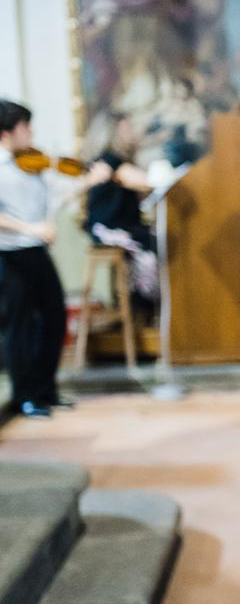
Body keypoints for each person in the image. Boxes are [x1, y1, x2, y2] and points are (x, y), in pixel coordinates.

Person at [0, 101, 105, 419]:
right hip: (11, 255)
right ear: (7, 132)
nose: (31, 132)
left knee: (54, 320)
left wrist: (88, 181)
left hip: (36, 251)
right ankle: (25, 396)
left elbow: (56, 195)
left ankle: (47, 391)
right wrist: (30, 227)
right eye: (25, 127)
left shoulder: (31, 163)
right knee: (19, 327)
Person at [85, 113, 160, 310]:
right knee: (151, 244)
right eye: (127, 129)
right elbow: (145, 182)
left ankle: (144, 304)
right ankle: (144, 305)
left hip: (122, 224)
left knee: (156, 236)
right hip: (108, 228)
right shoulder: (109, 161)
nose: (132, 133)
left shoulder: (116, 162)